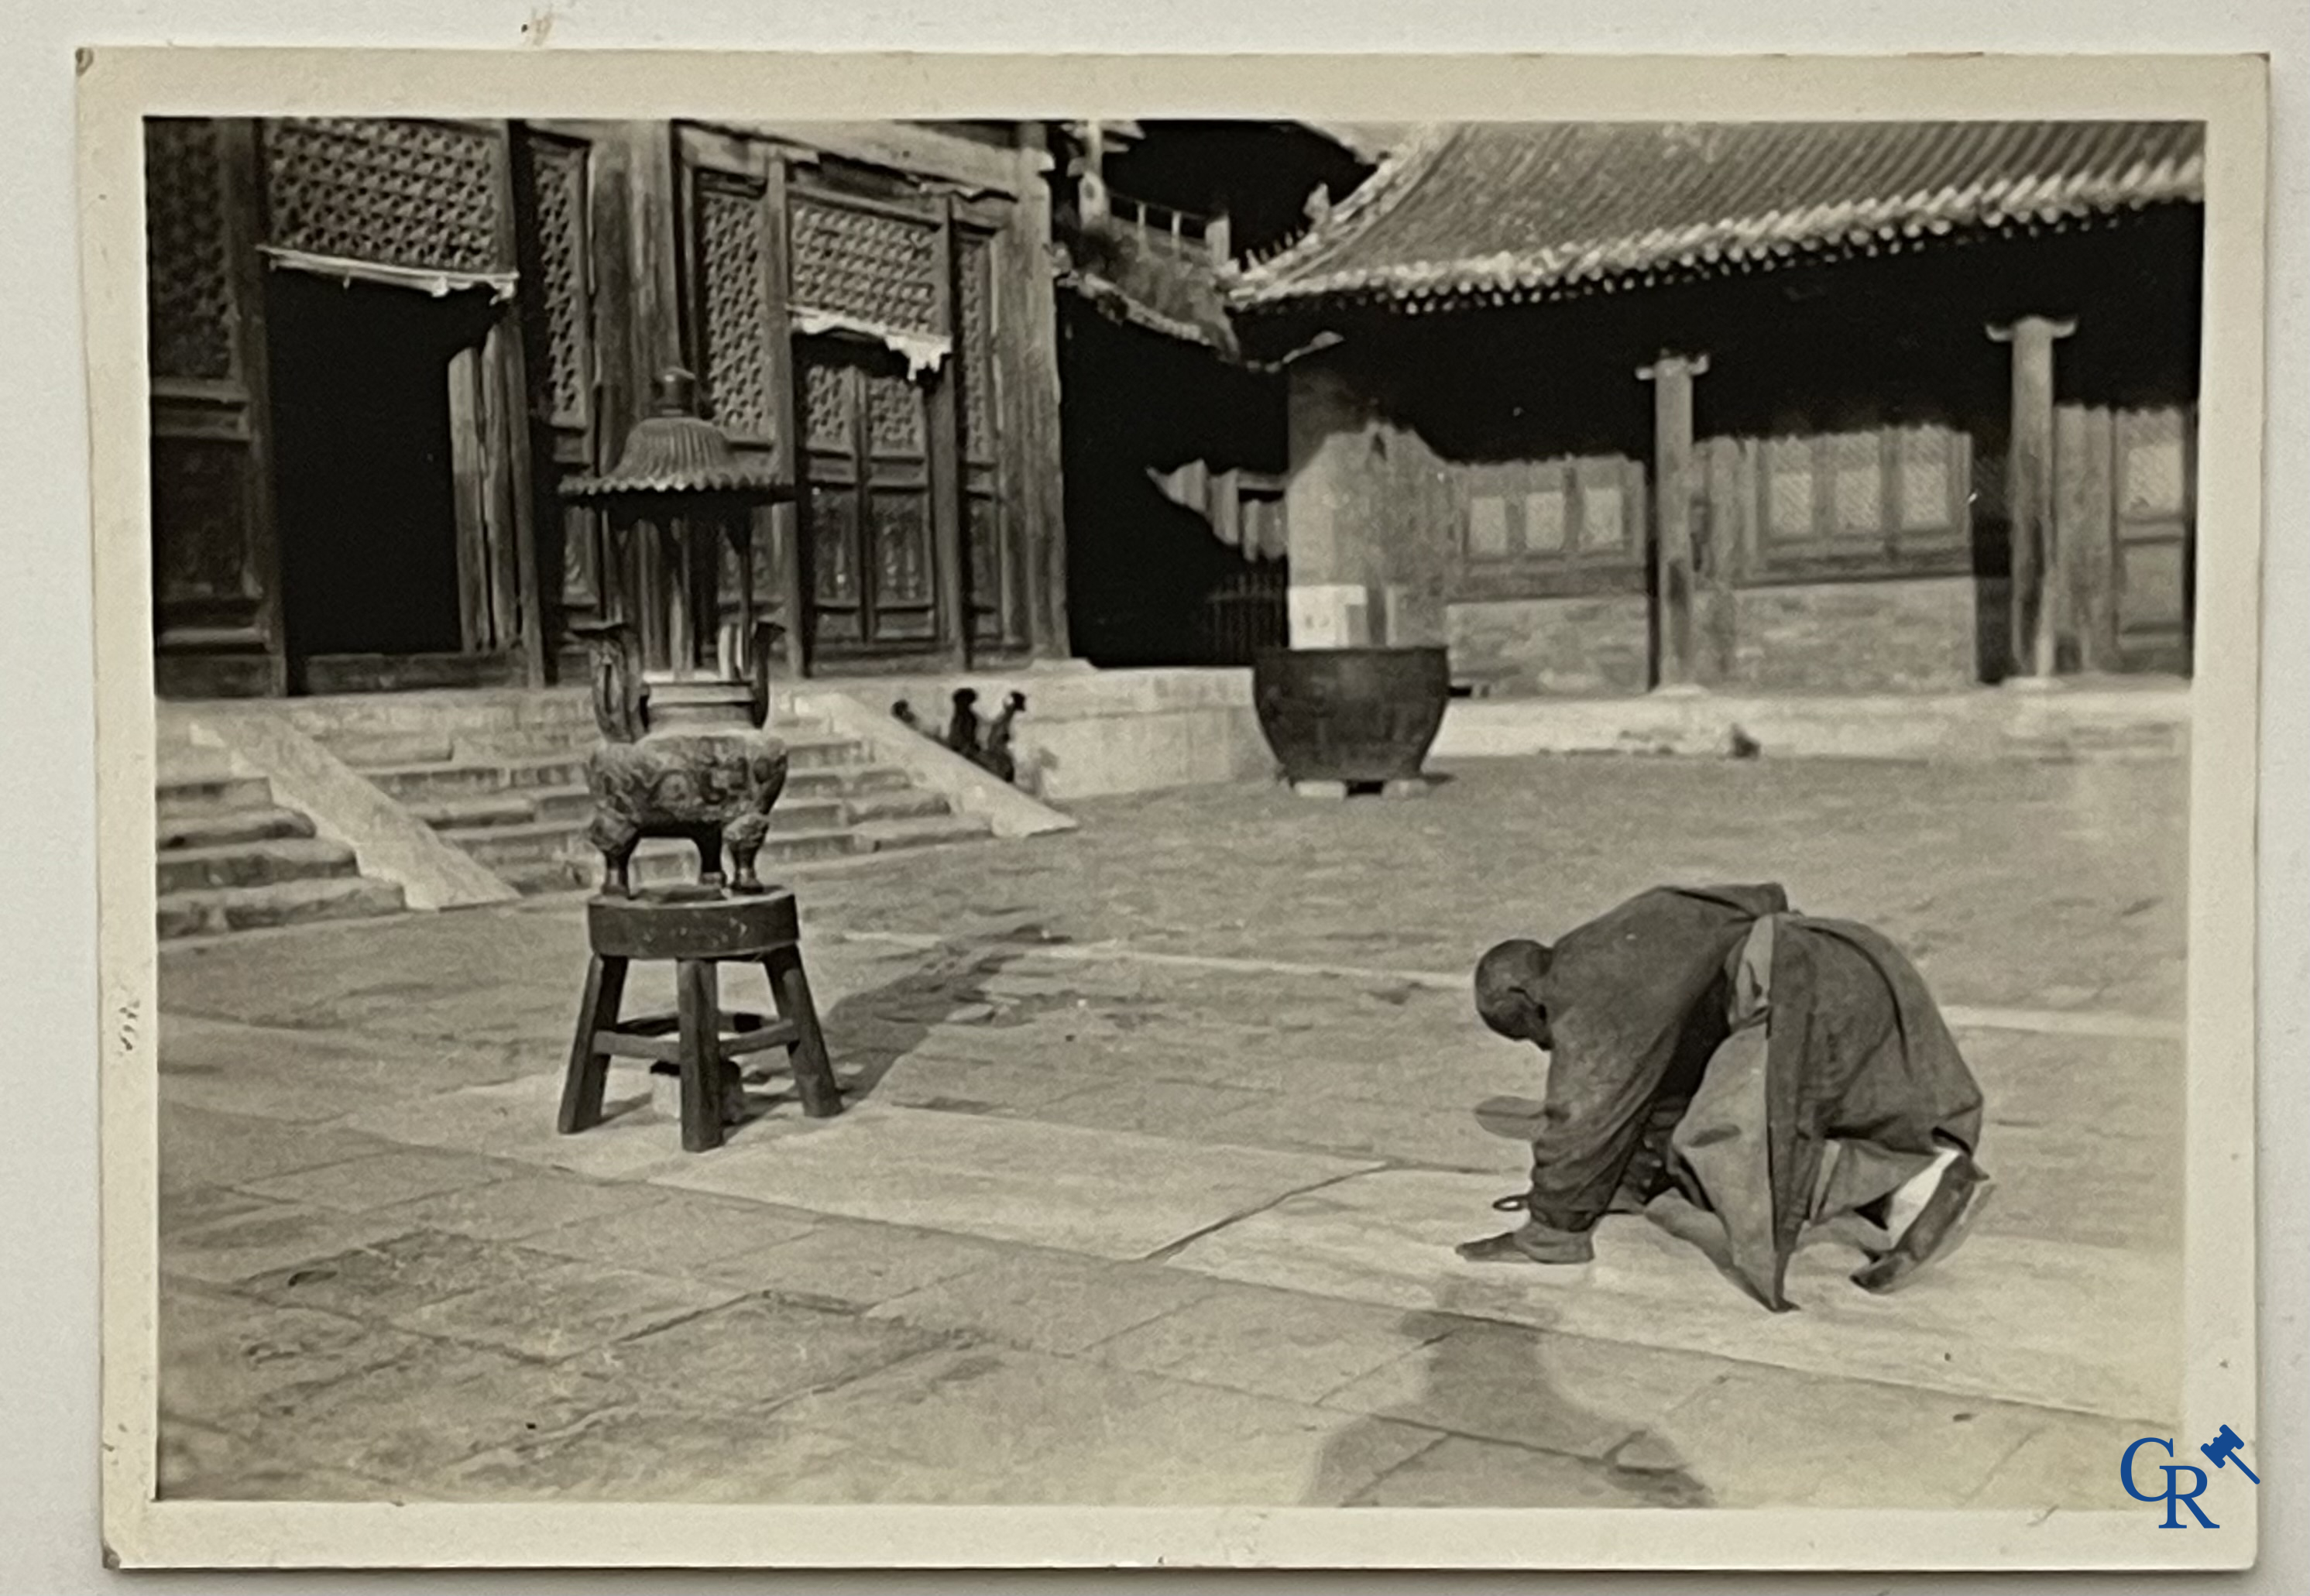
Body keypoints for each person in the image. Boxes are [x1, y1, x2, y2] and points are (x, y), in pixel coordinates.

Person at [1460, 884, 1990, 1310]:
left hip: (1798, 980)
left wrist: (1551, 1228)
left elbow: (1584, 1115)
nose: (1547, 1045)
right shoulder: (1621, 935)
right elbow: (1661, 1088)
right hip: (1855, 954)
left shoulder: (1583, 989)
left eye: (1532, 1032)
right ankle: (1913, 1186)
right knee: (1842, 1108)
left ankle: (1916, 1186)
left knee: (1723, 1145)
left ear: (1527, 996)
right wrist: (1622, 1186)